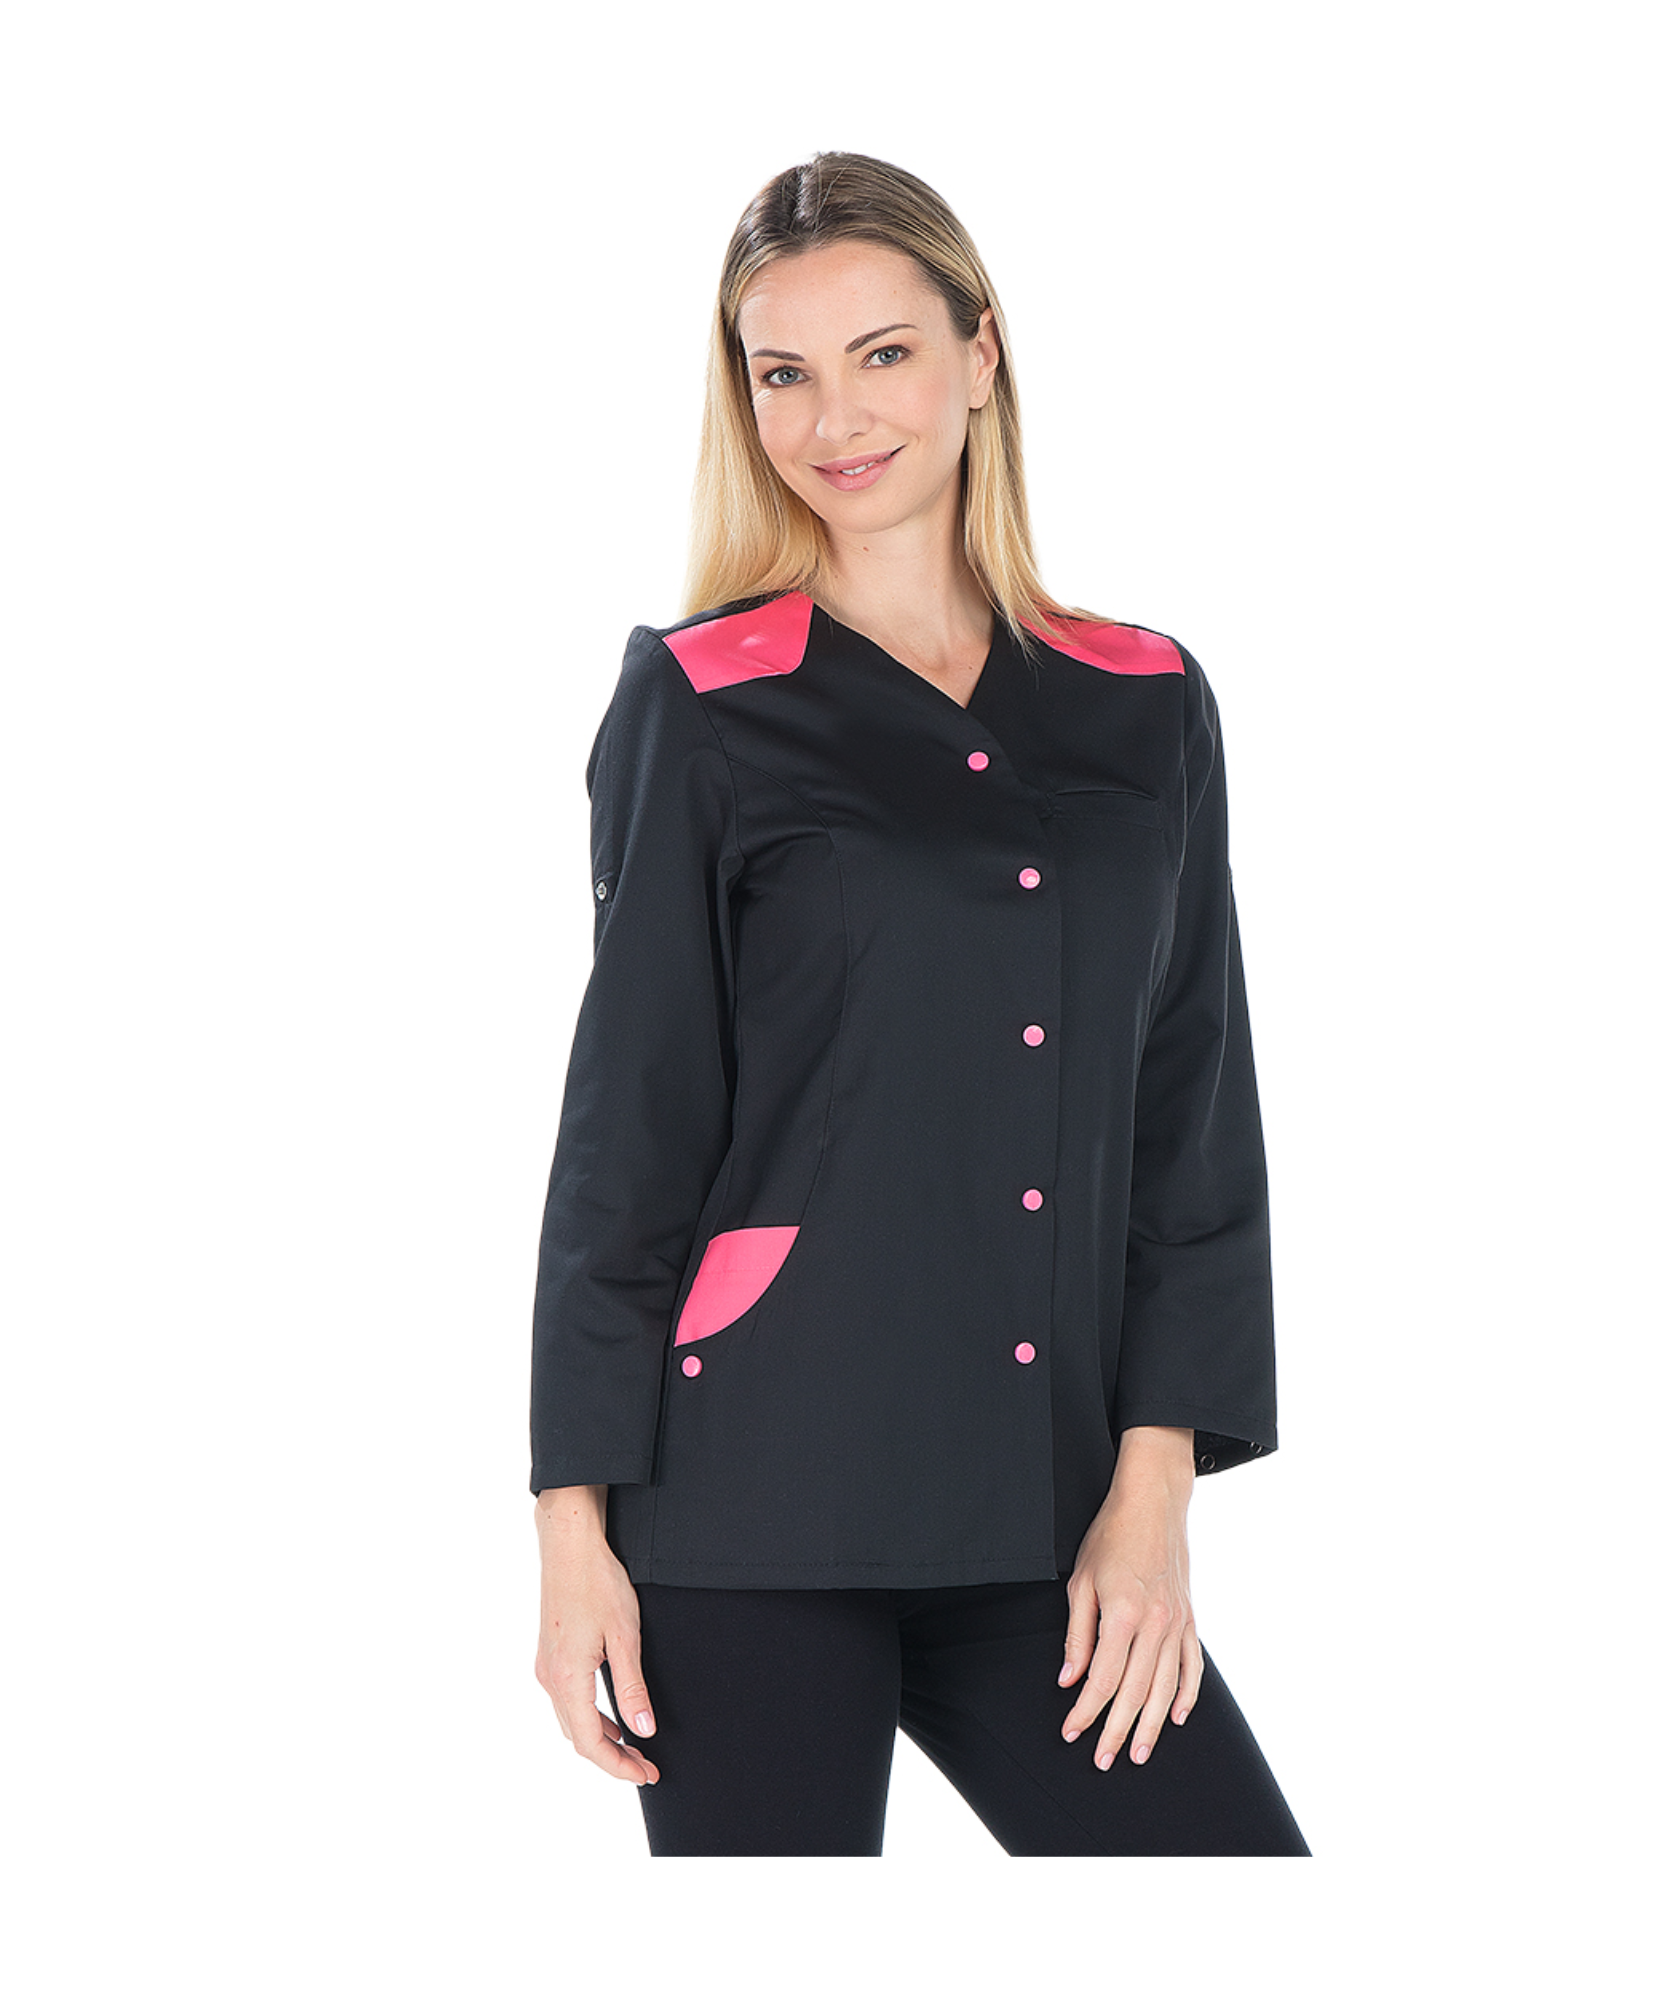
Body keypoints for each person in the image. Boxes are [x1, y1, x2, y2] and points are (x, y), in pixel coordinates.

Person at [528, 149, 1311, 1857]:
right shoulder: (700, 701)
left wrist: (1154, 1494)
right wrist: (572, 1531)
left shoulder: (1145, 700)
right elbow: (628, 1137)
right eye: (782, 373)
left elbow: (1191, 1122)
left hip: (1054, 1514)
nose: (834, 420)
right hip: (750, 1507)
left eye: (882, 353)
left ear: (980, 351)